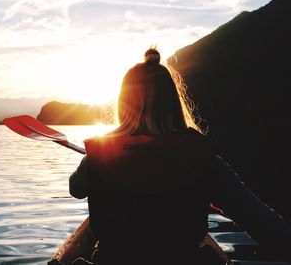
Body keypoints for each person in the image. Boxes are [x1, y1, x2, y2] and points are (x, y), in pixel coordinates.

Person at [69, 48, 291, 265]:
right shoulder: (205, 160)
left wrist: (91, 162)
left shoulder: (97, 156)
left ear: (123, 103)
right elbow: (261, 221)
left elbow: (76, 189)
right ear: (173, 102)